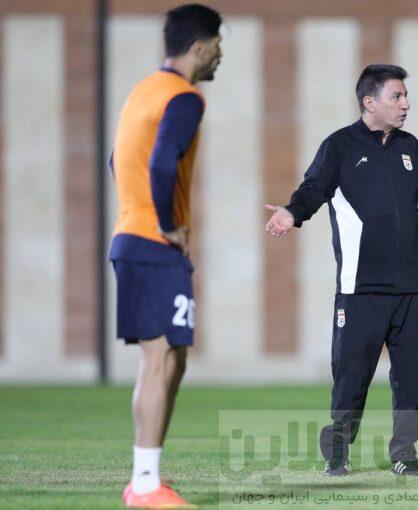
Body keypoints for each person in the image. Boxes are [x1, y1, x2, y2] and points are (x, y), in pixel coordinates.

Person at [265, 64, 418, 476]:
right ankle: (338, 451)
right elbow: (313, 189)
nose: (406, 104)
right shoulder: (339, 147)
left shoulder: (412, 149)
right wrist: (292, 212)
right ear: (370, 102)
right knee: (351, 377)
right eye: (397, 96)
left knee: (411, 378)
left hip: (411, 288)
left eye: (405, 96)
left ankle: (404, 453)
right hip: (359, 289)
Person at [108, 4, 222, 507]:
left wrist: (137, 211)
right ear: (199, 47)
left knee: (172, 357)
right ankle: (145, 485)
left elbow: (117, 159)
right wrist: (167, 224)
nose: (220, 55)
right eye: (218, 45)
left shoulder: (143, 91)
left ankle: (147, 476)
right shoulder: (185, 97)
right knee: (160, 359)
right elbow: (160, 163)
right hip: (154, 243)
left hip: (132, 238)